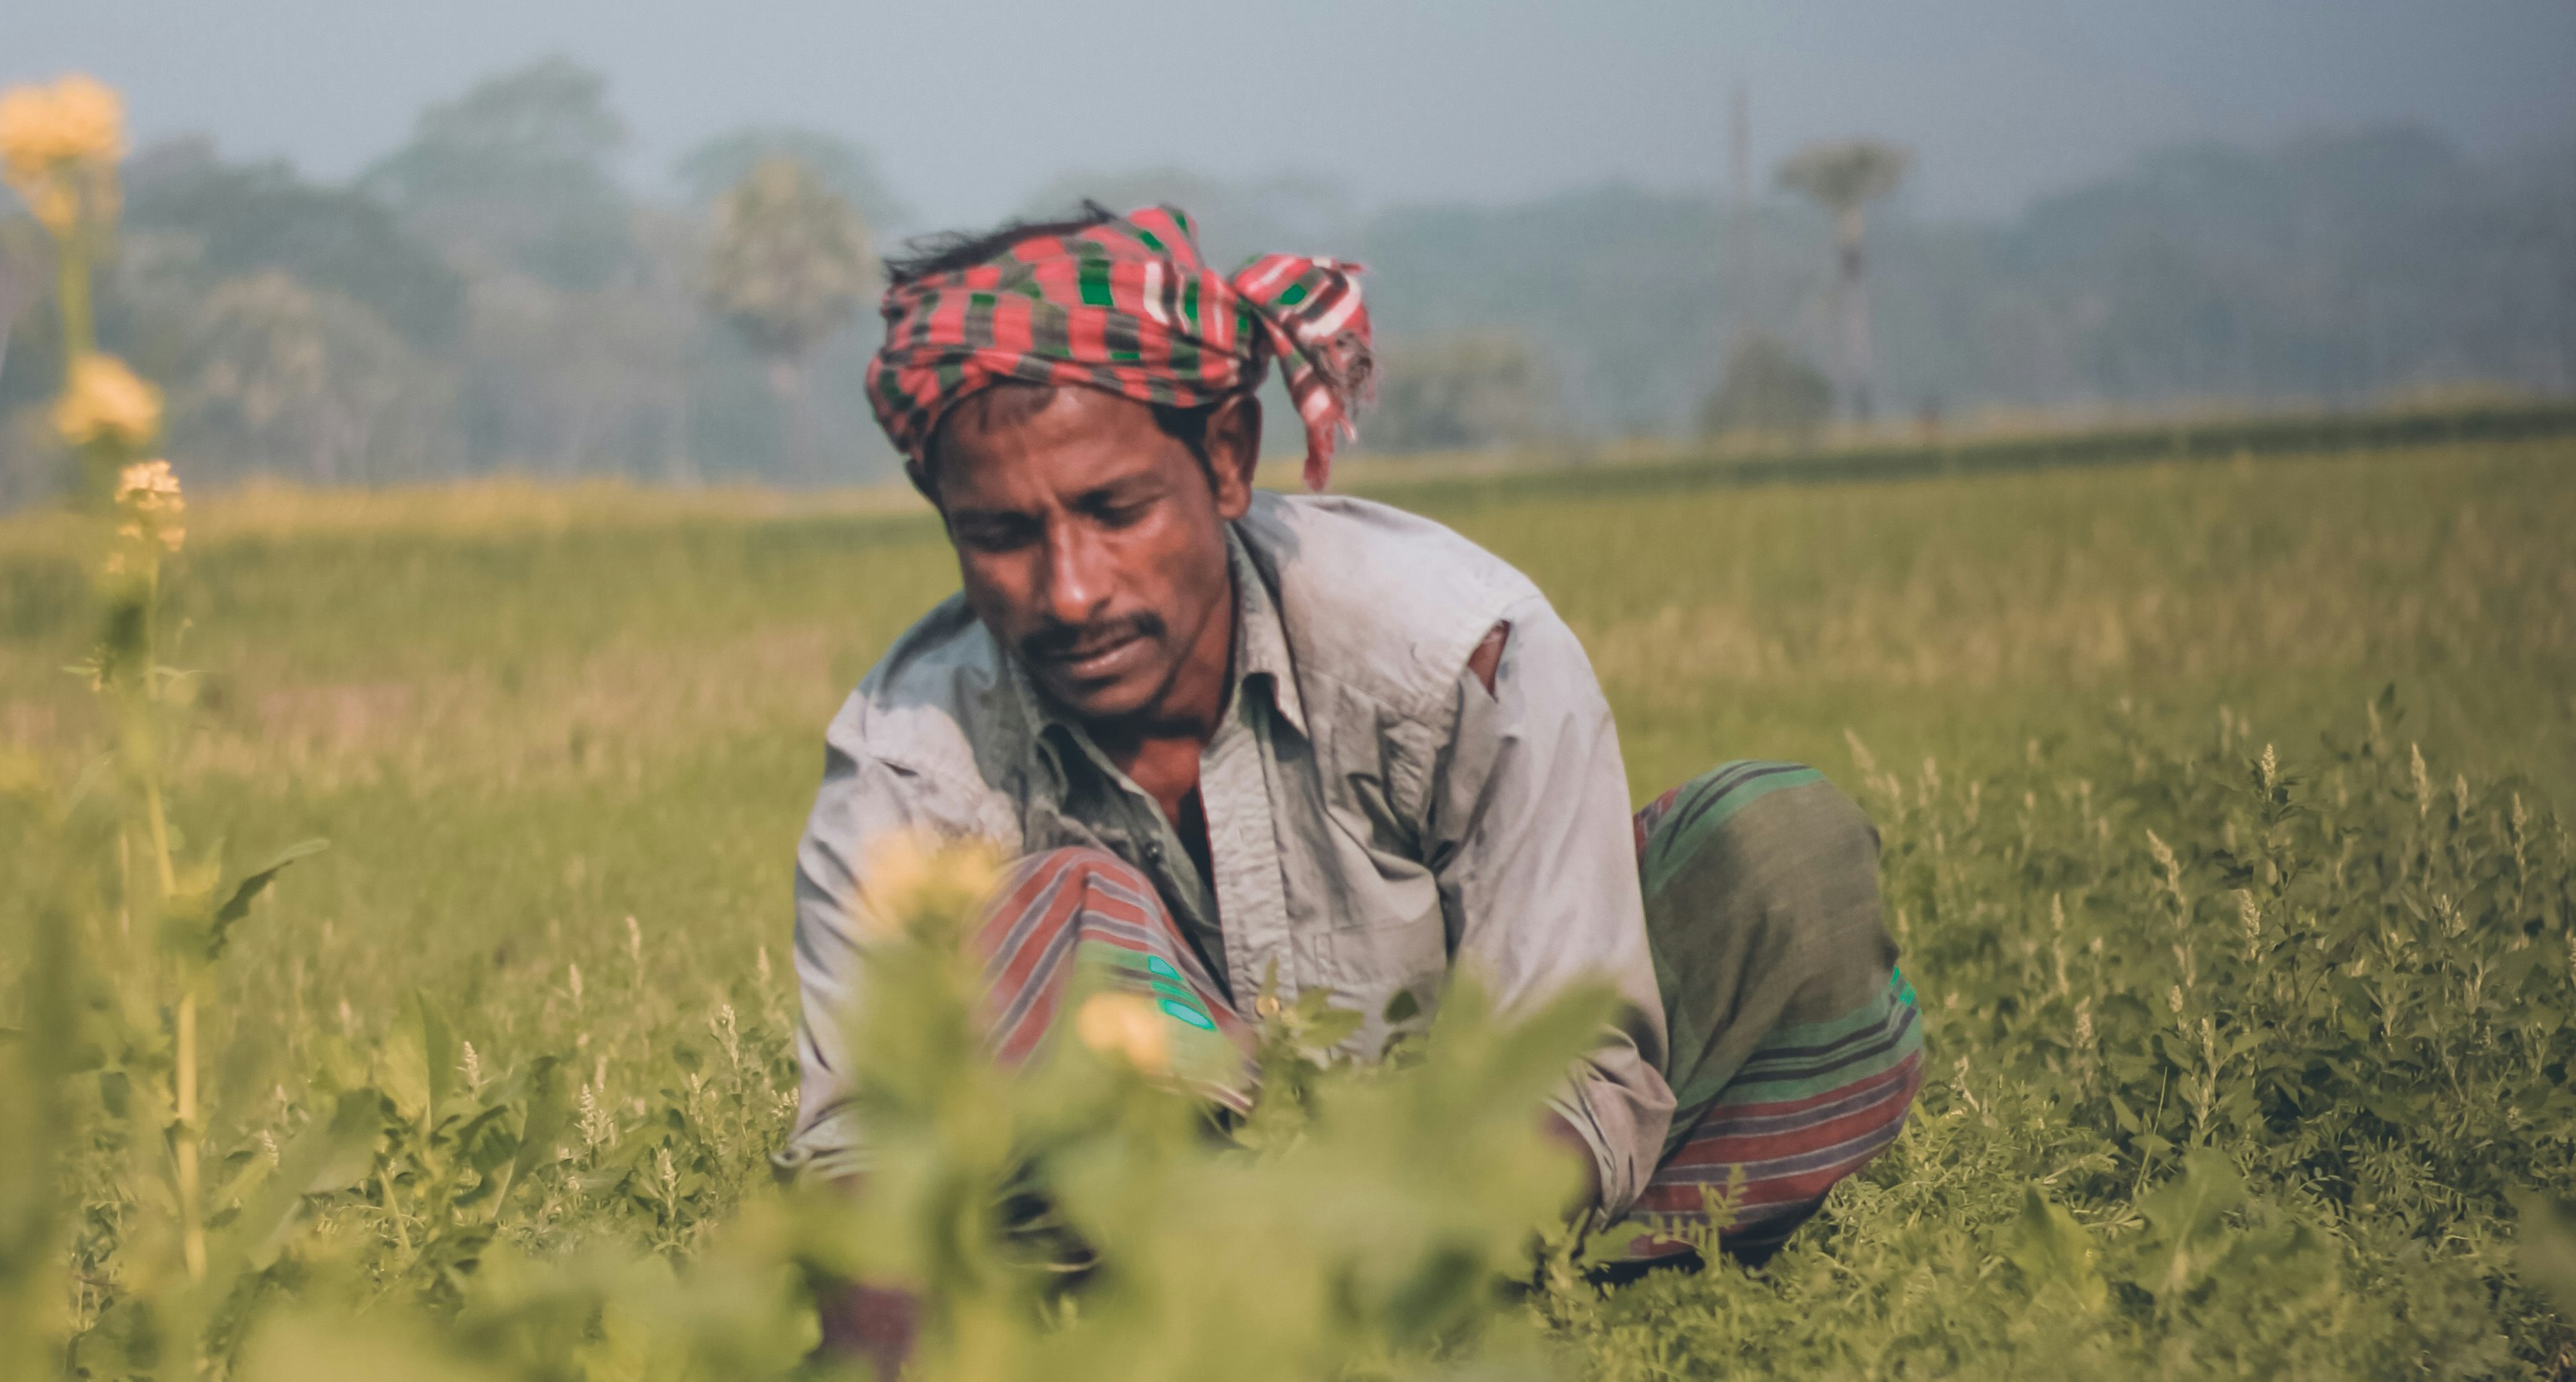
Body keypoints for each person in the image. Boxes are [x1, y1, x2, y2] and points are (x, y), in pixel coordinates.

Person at [786, 203, 1919, 1325]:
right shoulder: (907, 757)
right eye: (1001, 535)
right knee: (1055, 911)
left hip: (1465, 1164)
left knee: (1782, 854)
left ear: (1226, 459)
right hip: (1132, 1224)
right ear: (945, 517)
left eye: (1116, 509)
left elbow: (1581, 1065)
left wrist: (1391, 1244)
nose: (1072, 589)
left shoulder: (1458, 655)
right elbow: (861, 1152)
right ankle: (1195, 1322)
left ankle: (1436, 1296)